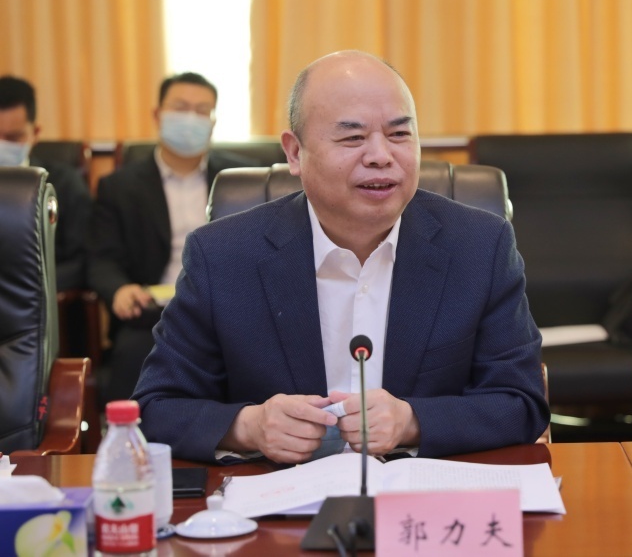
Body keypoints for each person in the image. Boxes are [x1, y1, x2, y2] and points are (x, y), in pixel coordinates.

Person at [133, 51, 549, 464]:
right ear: (294, 153)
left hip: (422, 490)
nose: (381, 155)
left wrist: (413, 421)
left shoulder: (480, 246)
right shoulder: (223, 256)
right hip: (279, 494)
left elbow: (522, 402)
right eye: (353, 138)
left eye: (399, 134)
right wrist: (249, 426)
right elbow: (156, 408)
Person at [88, 72, 258, 403]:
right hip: (152, 313)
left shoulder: (242, 180)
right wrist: (119, 289)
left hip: (231, 310)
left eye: (202, 110)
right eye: (180, 108)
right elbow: (101, 258)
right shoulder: (119, 186)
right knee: (132, 360)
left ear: (213, 122)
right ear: (158, 114)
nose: (190, 118)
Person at [0, 75, 91, 291]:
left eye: (13, 138)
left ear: (35, 133)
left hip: (40, 297)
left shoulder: (64, 183)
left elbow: (82, 261)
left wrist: (33, 289)